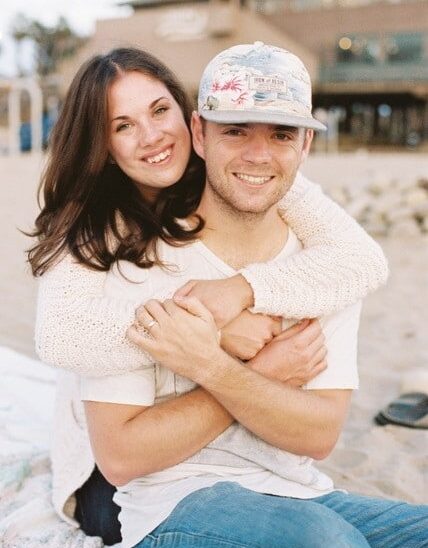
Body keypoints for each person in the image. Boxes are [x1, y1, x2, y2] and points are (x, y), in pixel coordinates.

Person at [29, 46, 391, 545]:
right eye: (123, 125)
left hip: (257, 477)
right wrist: (215, 334)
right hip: (109, 482)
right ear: (102, 146)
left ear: (189, 119)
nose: (152, 136)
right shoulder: (98, 226)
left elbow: (362, 258)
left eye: (159, 111)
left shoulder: (247, 174)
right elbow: (60, 337)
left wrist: (242, 289)